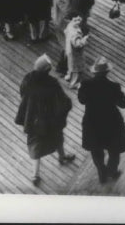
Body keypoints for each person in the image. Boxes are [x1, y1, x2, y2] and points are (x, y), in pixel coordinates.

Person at [15, 54, 75, 186]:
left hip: (32, 120)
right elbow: (63, 103)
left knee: (35, 145)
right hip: (50, 122)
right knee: (58, 138)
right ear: (47, 70)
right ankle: (62, 157)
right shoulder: (52, 84)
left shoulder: (27, 79)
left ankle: (35, 175)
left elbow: (22, 94)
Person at [78, 58, 125, 183]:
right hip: (111, 123)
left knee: (96, 151)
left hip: (92, 123)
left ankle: (102, 173)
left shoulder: (85, 85)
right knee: (114, 151)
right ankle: (112, 171)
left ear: (94, 72)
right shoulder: (114, 87)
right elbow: (123, 104)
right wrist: (122, 94)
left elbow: (82, 100)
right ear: (107, 72)